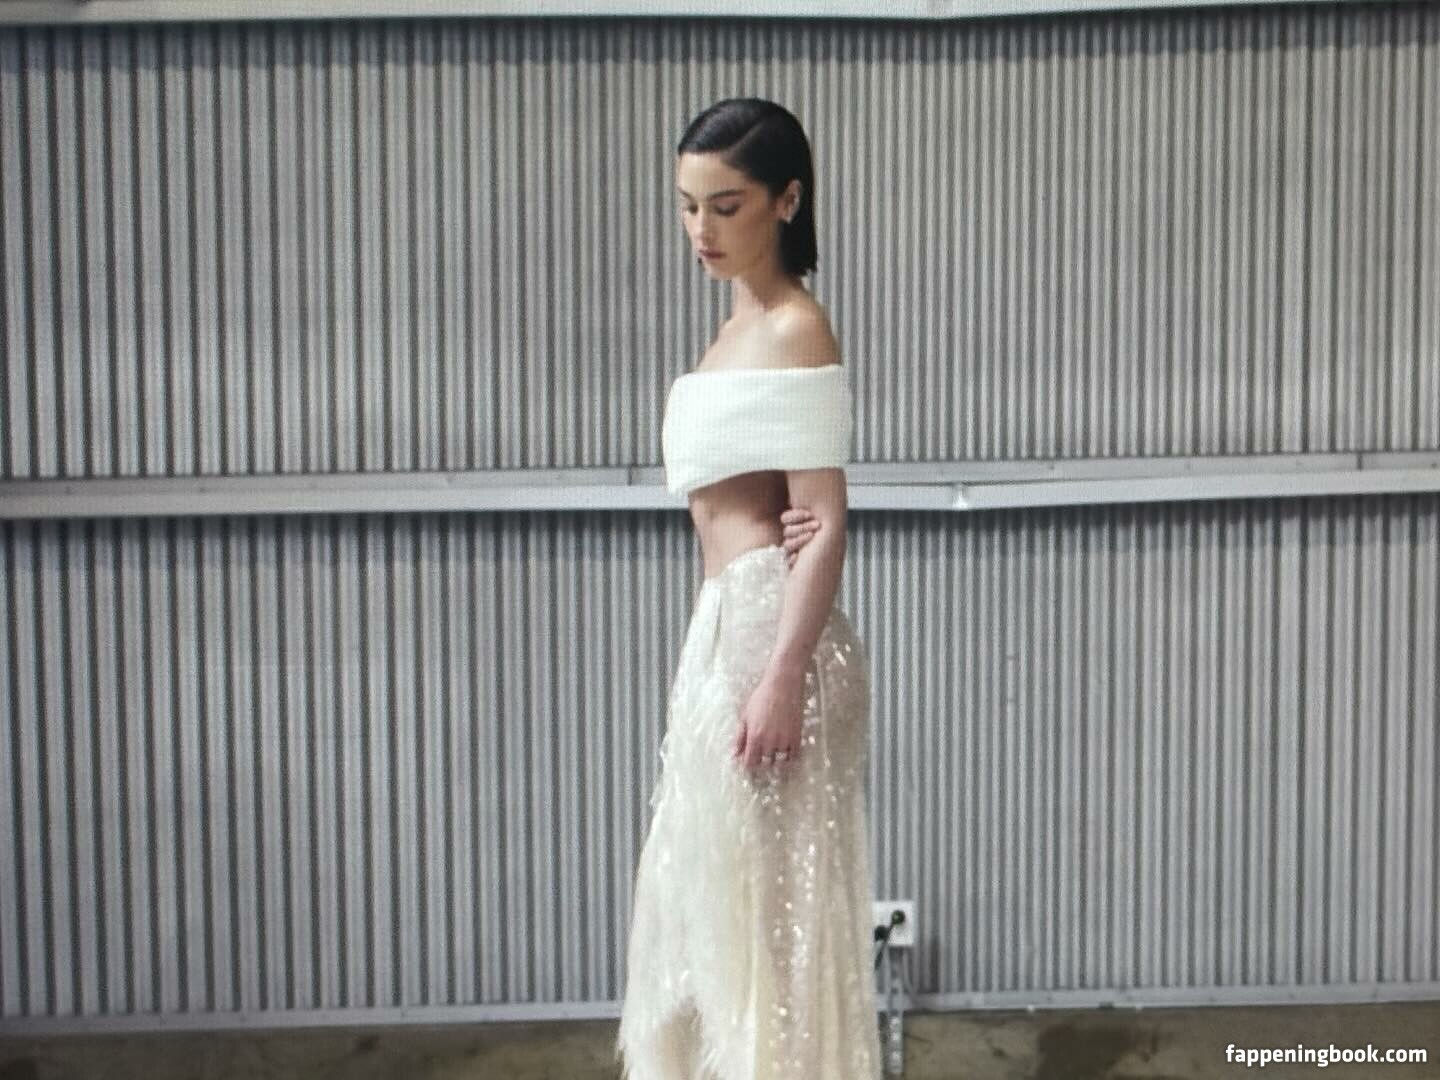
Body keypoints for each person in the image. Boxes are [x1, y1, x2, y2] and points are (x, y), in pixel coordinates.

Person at [615, 98, 880, 1080]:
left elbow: (825, 520)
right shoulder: (735, 330)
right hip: (727, 626)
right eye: (688, 207)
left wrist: (781, 676)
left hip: (771, 641)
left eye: (726, 207)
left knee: (768, 927)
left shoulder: (796, 327)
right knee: (711, 910)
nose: (702, 230)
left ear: (787, 200)